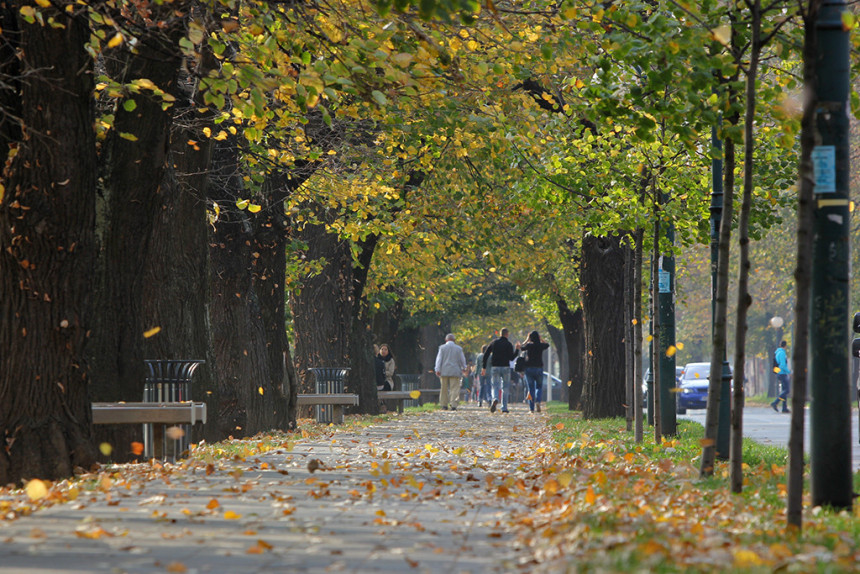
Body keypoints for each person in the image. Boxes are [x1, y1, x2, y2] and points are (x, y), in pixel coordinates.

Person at [481, 328, 520, 413]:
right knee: (505, 388)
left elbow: (486, 354)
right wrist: (517, 350)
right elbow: (511, 358)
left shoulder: (494, 342)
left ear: (500, 334)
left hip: (495, 367)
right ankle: (504, 407)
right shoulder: (508, 344)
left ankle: (495, 398)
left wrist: (484, 367)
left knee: (495, 385)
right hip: (505, 367)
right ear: (507, 334)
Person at [435, 334, 468, 411]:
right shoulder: (459, 349)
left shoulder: (442, 348)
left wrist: (437, 369)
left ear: (446, 340)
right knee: (454, 388)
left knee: (444, 389)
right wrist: (464, 367)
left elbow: (439, 359)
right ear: (454, 340)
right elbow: (462, 359)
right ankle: (453, 405)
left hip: (444, 371)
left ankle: (444, 405)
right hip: (455, 371)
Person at [520, 330, 550, 413]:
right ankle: (538, 401)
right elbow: (547, 345)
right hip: (539, 368)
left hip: (529, 368)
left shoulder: (529, 346)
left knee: (531, 388)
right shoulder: (540, 345)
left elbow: (522, 347)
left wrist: (527, 340)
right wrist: (541, 339)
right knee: (539, 387)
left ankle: (531, 408)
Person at [771, 340, 791, 413]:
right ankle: (775, 402)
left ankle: (784, 408)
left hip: (779, 373)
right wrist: (789, 372)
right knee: (787, 390)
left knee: (784, 391)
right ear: (785, 346)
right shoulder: (782, 353)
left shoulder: (777, 352)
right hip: (782, 373)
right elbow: (782, 365)